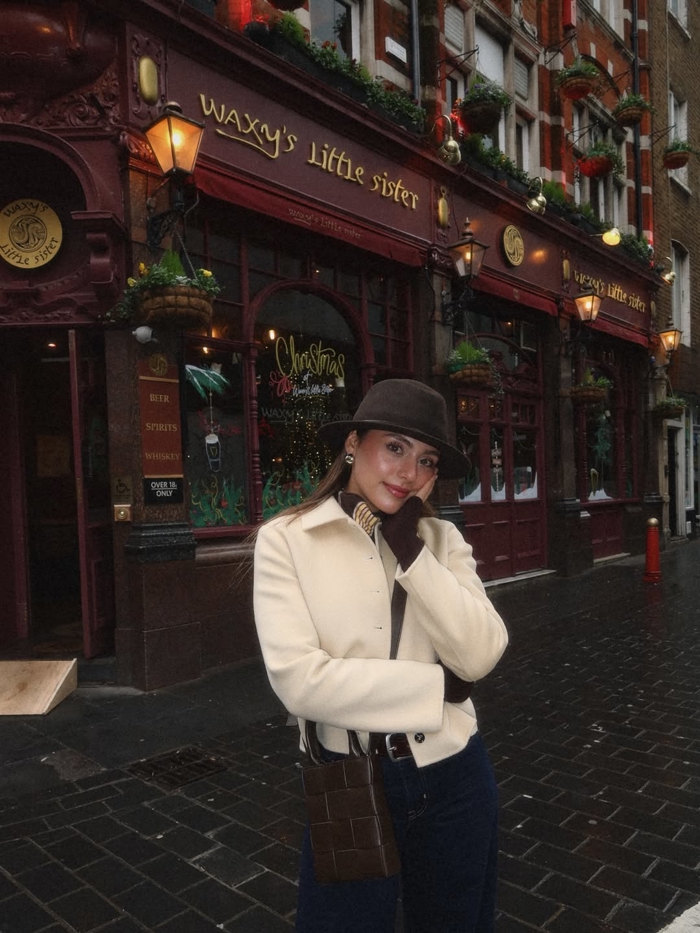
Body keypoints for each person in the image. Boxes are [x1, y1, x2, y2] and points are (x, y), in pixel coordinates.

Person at [253, 379, 508, 933]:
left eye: (426, 459)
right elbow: (300, 681)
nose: (408, 472)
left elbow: (482, 653)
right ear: (353, 443)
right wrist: (438, 688)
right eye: (395, 447)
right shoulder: (287, 539)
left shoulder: (441, 540)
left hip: (455, 775)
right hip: (349, 777)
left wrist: (410, 548)